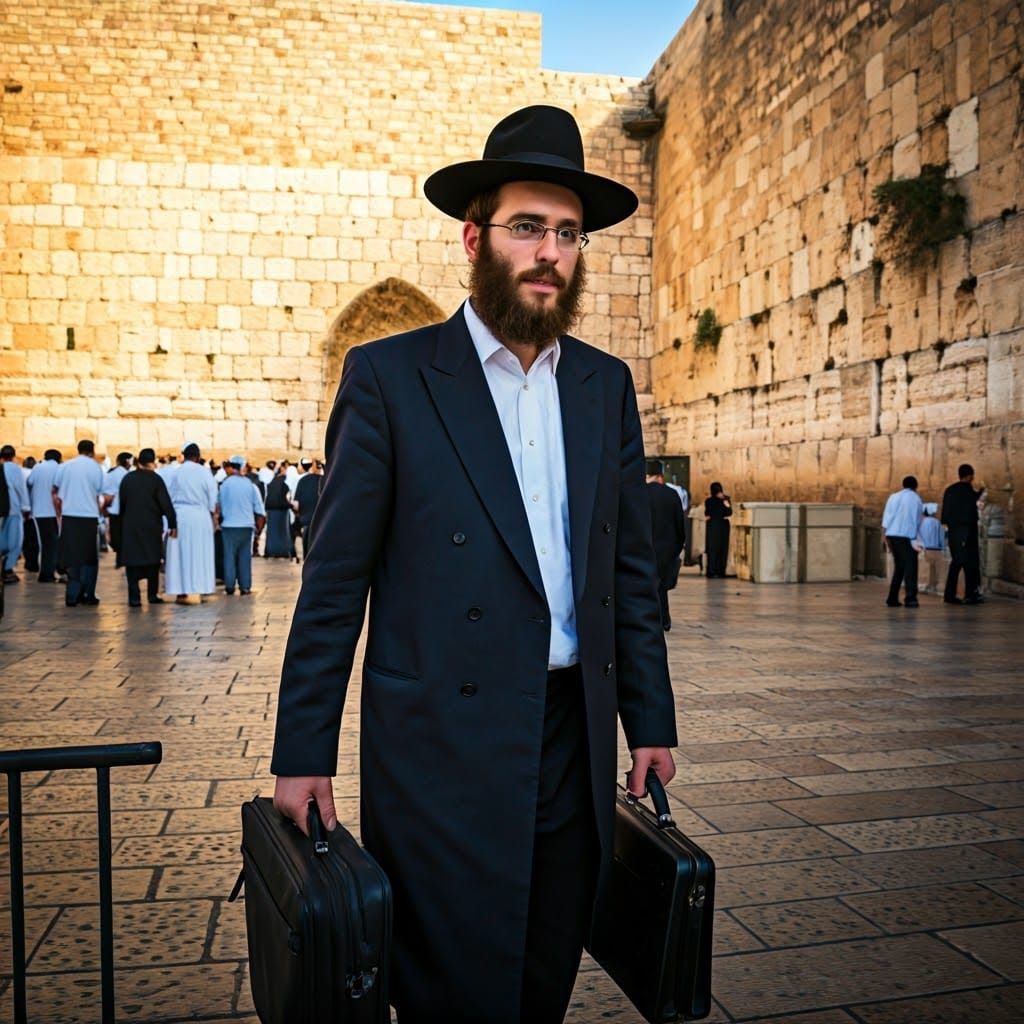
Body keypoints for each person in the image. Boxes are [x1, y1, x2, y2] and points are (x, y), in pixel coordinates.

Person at [270, 105, 678, 1024]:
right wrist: (304, 753)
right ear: (474, 236)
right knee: (449, 984)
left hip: (573, 736)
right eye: (527, 226)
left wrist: (650, 720)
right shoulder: (390, 378)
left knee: (544, 970)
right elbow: (334, 583)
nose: (550, 252)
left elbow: (628, 578)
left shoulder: (604, 387)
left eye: (568, 233)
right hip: (438, 749)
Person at [118, 448, 177, 606]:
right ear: (151, 462)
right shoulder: (155, 480)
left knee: (132, 561)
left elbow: (121, 505)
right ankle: (152, 595)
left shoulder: (127, 479)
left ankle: (134, 597)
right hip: (151, 525)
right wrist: (172, 523)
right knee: (152, 560)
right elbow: (165, 503)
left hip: (131, 525)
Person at [163, 442, 218, 604]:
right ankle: (201, 588)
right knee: (200, 553)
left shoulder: (175, 473)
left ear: (184, 455)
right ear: (198, 457)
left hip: (179, 515)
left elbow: (169, 497)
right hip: (200, 516)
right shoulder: (204, 473)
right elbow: (212, 498)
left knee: (179, 555)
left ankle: (181, 591)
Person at [53, 439, 104, 606]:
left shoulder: (65, 466)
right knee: (89, 557)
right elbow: (98, 494)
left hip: (70, 516)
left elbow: (55, 492)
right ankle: (88, 593)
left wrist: (59, 512)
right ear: (92, 451)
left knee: (72, 556)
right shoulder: (95, 467)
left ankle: (72, 594)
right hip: (89, 517)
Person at [646, 461, 686, 631]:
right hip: (668, 548)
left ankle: (650, 619)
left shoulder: (640, 493)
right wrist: (677, 547)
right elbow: (680, 525)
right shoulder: (672, 494)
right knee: (662, 586)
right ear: (661, 476)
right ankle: (664, 619)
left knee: (647, 584)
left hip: (645, 546)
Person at [218, 455, 266, 595]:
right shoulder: (250, 485)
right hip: (246, 526)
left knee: (229, 557)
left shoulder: (224, 485)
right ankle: (245, 586)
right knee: (245, 557)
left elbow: (218, 506)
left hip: (228, 526)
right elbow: (259, 509)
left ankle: (230, 586)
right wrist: (259, 528)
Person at [941, 463, 985, 605]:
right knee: (970, 564)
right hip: (967, 533)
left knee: (956, 563)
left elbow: (945, 515)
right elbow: (972, 506)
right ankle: (970, 594)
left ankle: (950, 595)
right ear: (970, 476)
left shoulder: (949, 490)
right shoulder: (968, 491)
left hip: (954, 533)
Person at [882, 475, 924, 608]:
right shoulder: (916, 499)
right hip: (906, 536)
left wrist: (884, 536)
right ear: (915, 486)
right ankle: (910, 598)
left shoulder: (893, 496)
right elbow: (915, 520)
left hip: (892, 535)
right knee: (911, 567)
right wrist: (915, 538)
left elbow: (886, 517)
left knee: (899, 567)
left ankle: (892, 598)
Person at [27, 449, 62, 582]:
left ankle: (47, 571)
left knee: (44, 544)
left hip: (37, 511)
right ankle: (47, 574)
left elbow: (29, 482)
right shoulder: (59, 468)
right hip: (52, 512)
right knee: (52, 544)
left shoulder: (37, 467)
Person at [0, 446, 29, 584]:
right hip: (13, 508)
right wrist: (26, 507)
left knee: (3, 538)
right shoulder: (15, 468)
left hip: (3, 510)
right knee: (15, 541)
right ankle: (7, 569)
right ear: (13, 455)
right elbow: (20, 488)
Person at [101, 451, 133, 561]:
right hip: (123, 508)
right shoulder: (126, 475)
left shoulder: (111, 474)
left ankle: (119, 555)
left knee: (115, 533)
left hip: (111, 508)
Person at [292, 457, 323, 560]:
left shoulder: (302, 481)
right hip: (322, 522)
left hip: (306, 521)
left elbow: (296, 505)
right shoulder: (324, 481)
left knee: (308, 554)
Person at [263, 465, 293, 558]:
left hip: (271, 509)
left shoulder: (272, 482)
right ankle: (282, 551)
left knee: (272, 533)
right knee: (282, 533)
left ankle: (271, 550)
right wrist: (290, 505)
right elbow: (285, 498)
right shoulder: (285, 482)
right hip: (281, 510)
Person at [704, 481, 732, 578]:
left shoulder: (709, 501)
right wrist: (725, 502)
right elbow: (729, 512)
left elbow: (707, 513)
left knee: (713, 549)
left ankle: (712, 571)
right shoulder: (725, 500)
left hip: (713, 526)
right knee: (721, 549)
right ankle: (720, 571)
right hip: (722, 526)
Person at [918, 502, 946, 595]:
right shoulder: (937, 522)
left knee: (925, 569)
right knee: (934, 570)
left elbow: (918, 535)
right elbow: (941, 536)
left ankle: (923, 585)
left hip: (924, 549)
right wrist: (942, 547)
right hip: (936, 549)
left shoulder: (920, 522)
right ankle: (933, 586)